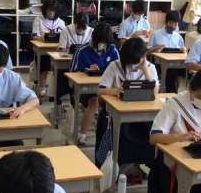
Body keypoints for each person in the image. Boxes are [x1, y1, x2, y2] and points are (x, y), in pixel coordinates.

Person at [96, 38, 159, 181]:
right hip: (116, 115)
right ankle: (120, 167)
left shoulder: (150, 68)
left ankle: (135, 165)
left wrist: (145, 70)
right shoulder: (115, 66)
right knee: (119, 133)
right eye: (131, 62)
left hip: (142, 116)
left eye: (137, 61)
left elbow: (155, 94)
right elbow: (100, 91)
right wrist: (115, 91)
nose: (133, 66)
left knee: (151, 133)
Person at [70, 22, 119, 146]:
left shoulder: (112, 50)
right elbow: (73, 73)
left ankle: (112, 137)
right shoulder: (82, 51)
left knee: (115, 104)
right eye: (100, 41)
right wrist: (87, 70)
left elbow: (119, 70)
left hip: (107, 88)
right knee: (94, 102)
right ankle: (82, 135)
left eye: (105, 42)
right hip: (86, 89)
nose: (102, 45)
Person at [32, 0, 66, 96]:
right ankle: (42, 87)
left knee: (63, 64)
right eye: (49, 10)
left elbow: (65, 36)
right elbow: (34, 36)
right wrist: (42, 38)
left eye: (53, 11)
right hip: (43, 49)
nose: (51, 13)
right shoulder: (38, 20)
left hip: (57, 49)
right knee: (45, 63)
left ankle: (59, 88)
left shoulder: (61, 22)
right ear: (45, 10)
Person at [148, 10, 187, 93]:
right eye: (171, 23)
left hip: (175, 64)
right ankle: (168, 92)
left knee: (175, 74)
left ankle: (171, 93)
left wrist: (184, 50)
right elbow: (147, 51)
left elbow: (183, 51)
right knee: (170, 76)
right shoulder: (156, 34)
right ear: (166, 22)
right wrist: (155, 48)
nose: (173, 26)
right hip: (159, 64)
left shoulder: (178, 37)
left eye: (175, 24)